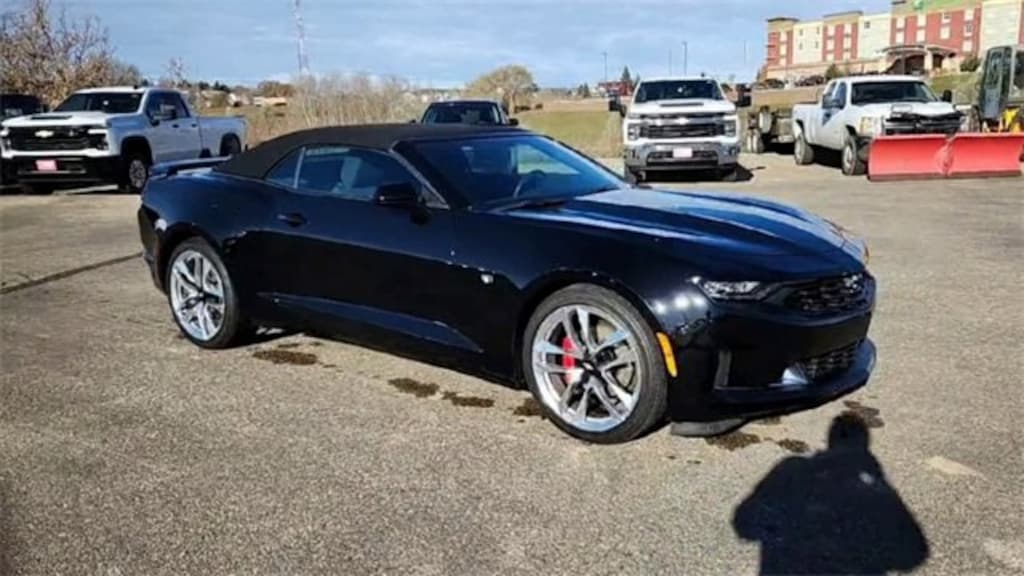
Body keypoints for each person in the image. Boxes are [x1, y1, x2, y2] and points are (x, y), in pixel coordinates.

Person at [733, 414, 929, 575]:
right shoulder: (878, 495)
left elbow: (744, 523)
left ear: (830, 441)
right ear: (863, 448)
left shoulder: (790, 472)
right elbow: (914, 553)